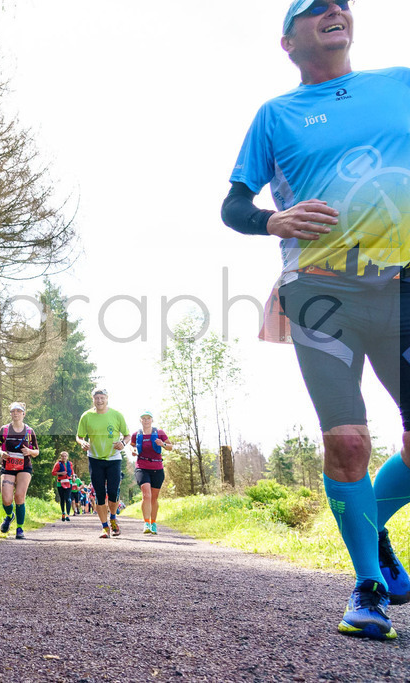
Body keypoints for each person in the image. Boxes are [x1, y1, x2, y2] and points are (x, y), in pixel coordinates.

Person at [222, 0, 410, 640]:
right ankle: (368, 588)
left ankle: (370, 530)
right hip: (319, 289)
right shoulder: (275, 115)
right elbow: (233, 205)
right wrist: (271, 219)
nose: (335, 9)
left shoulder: (400, 83)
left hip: (403, 284)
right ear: (288, 40)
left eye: (343, 4)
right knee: (348, 440)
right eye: (317, 7)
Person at [76, 389, 129, 538]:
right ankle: (105, 527)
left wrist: (123, 443)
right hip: (95, 458)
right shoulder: (86, 416)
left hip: (114, 458)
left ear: (107, 398)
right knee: (99, 494)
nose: (99, 401)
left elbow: (127, 435)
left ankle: (113, 518)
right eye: (97, 398)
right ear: (93, 399)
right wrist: (82, 442)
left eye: (102, 398)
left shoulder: (117, 415)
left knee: (113, 492)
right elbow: (79, 436)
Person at [0, 402, 40, 539]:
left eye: (18, 411)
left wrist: (29, 451)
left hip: (24, 467)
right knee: (6, 499)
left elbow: (37, 451)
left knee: (19, 496)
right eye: (13, 411)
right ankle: (10, 516)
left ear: (23, 414)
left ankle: (20, 529)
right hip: (8, 467)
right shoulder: (4, 429)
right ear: (10, 414)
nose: (15, 413)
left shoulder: (29, 431)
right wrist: (1, 452)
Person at [130, 411, 172, 535]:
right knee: (146, 495)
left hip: (157, 467)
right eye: (144, 418)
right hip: (142, 467)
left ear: (152, 420)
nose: (146, 420)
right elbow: (132, 445)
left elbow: (170, 446)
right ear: (140, 420)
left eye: (148, 418)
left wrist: (162, 444)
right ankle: (146, 523)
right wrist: (133, 450)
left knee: (154, 497)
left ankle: (153, 523)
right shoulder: (136, 434)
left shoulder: (160, 433)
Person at [52, 451, 74, 521]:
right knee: (62, 498)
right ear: (60, 457)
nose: (64, 457)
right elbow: (53, 473)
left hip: (68, 482)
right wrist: (61, 473)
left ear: (67, 457)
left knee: (68, 498)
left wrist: (73, 477)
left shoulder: (70, 463)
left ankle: (68, 514)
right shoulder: (58, 464)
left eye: (65, 456)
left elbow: (72, 472)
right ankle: (63, 513)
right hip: (60, 482)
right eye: (63, 456)